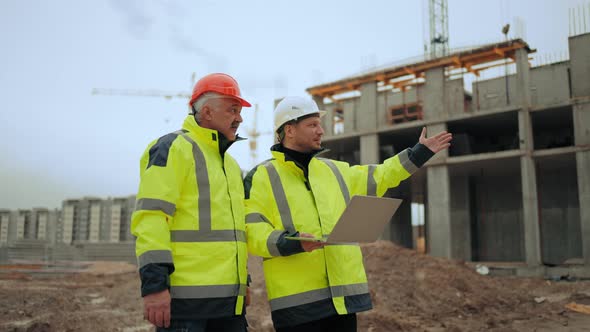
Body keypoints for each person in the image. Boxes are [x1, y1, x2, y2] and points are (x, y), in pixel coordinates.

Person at [244, 96, 452, 331]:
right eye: (312, 124)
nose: (321, 131)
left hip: (343, 302)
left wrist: (418, 154)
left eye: (319, 124)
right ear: (289, 130)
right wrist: (291, 242)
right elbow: (252, 230)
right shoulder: (260, 177)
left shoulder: (334, 170)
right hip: (298, 307)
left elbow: (381, 175)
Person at [131, 73, 251, 331]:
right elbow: (151, 218)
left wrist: (244, 283)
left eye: (240, 111)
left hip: (229, 307)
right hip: (185, 307)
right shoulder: (173, 147)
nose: (240, 118)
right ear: (207, 112)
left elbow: (234, 232)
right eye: (233, 109)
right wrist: (155, 287)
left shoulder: (230, 165)